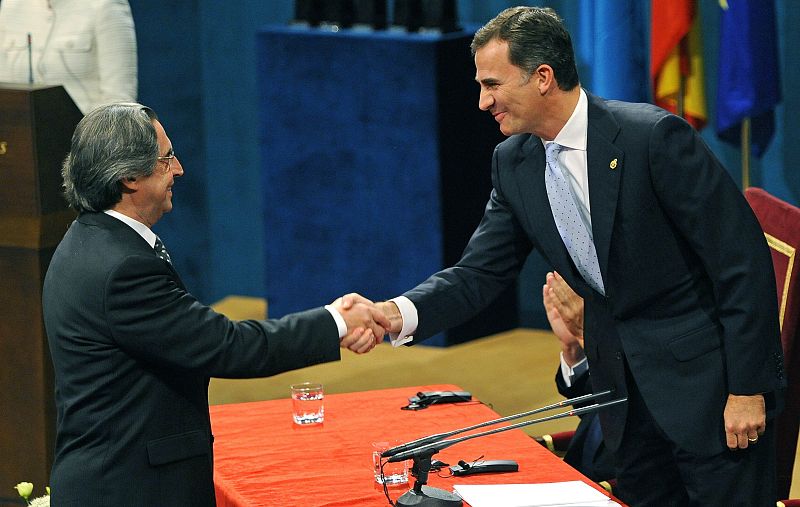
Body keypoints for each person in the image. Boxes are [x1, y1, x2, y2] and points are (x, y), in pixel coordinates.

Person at [373, 6, 785, 506]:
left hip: (709, 397)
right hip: (624, 408)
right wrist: (398, 314)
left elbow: (740, 264)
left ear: (542, 77)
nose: (483, 102)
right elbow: (479, 273)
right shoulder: (515, 162)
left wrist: (747, 390)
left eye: (492, 84)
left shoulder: (651, 138)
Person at [42, 103, 388, 506]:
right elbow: (227, 346)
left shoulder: (86, 240)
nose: (179, 169)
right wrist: (338, 323)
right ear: (129, 177)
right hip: (131, 488)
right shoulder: (122, 268)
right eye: (166, 158)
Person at [0, 0, 137, 114]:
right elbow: (5, 91)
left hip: (86, 139)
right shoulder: (11, 4)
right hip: (20, 134)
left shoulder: (106, 4)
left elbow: (120, 102)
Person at [543, 271, 613, 483]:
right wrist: (573, 348)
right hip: (575, 476)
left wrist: (585, 335)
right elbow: (598, 405)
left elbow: (630, 414)